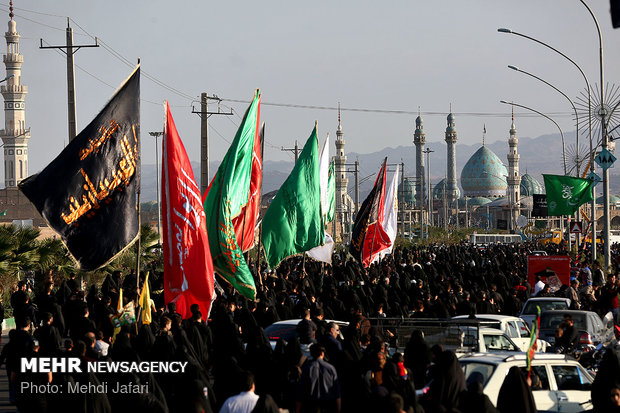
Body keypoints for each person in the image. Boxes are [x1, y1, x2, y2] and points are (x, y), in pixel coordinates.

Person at [296, 344, 341, 413]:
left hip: (311, 406)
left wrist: (297, 410)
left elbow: (301, 392)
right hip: (328, 405)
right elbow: (337, 392)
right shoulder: (331, 368)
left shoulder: (306, 369)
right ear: (322, 353)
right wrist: (338, 409)